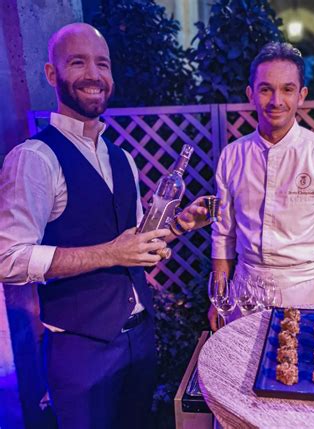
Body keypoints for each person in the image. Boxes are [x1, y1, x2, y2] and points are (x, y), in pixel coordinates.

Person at [0, 23, 212, 428]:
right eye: (78, 62)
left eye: (103, 64)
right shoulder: (34, 158)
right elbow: (7, 258)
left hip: (139, 340)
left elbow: (134, 245)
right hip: (80, 352)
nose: (94, 75)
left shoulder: (123, 159)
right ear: (51, 74)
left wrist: (181, 226)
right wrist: (110, 252)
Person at [209, 42, 314, 331]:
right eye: (266, 89)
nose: (276, 100)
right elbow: (223, 232)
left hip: (304, 291)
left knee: (301, 370)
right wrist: (219, 298)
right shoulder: (232, 155)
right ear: (251, 94)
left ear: (302, 95)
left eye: (287, 89)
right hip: (245, 286)